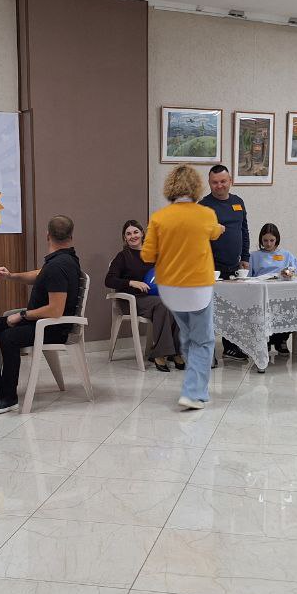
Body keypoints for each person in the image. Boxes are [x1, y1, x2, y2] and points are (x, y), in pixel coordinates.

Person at [0, 215, 82, 413]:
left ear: (47, 235)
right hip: (42, 322)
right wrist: (11, 276)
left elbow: (55, 310)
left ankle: (8, 397)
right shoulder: (64, 259)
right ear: (71, 236)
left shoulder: (58, 266)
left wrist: (22, 315)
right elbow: (38, 275)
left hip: (53, 328)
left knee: (9, 337)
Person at [142, 166, 224, 410]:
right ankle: (193, 392)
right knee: (204, 340)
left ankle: (193, 385)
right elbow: (215, 233)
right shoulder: (206, 214)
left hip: (169, 289)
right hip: (197, 288)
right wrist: (218, 229)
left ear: (170, 188)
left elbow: (147, 255)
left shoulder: (159, 217)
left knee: (188, 336)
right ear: (197, 187)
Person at [105, 219, 183, 372]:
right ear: (124, 238)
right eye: (128, 234)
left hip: (154, 297)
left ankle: (176, 352)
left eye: (135, 232)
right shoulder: (122, 257)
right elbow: (109, 280)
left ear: (142, 234)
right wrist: (131, 282)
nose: (133, 236)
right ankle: (160, 353)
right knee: (162, 304)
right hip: (132, 299)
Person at [198, 164, 249, 361]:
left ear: (230, 181)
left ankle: (231, 347)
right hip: (210, 267)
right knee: (209, 310)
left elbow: (244, 231)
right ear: (209, 183)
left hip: (234, 266)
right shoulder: (203, 206)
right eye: (215, 182)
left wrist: (245, 257)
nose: (219, 185)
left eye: (223, 181)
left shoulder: (238, 202)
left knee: (233, 308)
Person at [251, 223, 297, 354]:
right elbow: (248, 277)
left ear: (277, 240)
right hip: (262, 295)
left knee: (290, 309)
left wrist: (289, 273)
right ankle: (266, 340)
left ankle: (281, 339)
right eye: (265, 241)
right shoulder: (254, 256)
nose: (268, 244)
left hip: (282, 294)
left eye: (271, 240)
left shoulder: (286, 255)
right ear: (261, 240)